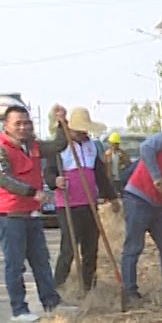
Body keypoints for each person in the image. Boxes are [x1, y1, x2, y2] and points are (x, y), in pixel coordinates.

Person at [0, 105, 70, 323]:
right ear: (6, 126)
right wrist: (32, 192)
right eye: (18, 123)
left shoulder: (32, 145)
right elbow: (4, 178)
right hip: (10, 215)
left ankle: (51, 302)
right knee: (15, 265)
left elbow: (58, 145)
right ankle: (19, 309)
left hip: (31, 214)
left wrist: (61, 123)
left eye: (27, 123)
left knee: (41, 260)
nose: (23, 127)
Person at [50, 107, 119, 294]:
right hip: (68, 205)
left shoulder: (90, 146)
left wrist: (112, 197)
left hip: (89, 204)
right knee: (69, 248)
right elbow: (48, 173)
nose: (83, 133)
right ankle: (58, 287)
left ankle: (89, 286)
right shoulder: (60, 147)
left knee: (91, 247)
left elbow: (99, 175)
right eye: (79, 130)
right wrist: (55, 181)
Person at [118, 127, 162, 304]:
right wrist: (156, 177)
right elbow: (145, 148)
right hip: (137, 197)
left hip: (157, 202)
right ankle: (129, 292)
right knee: (133, 246)